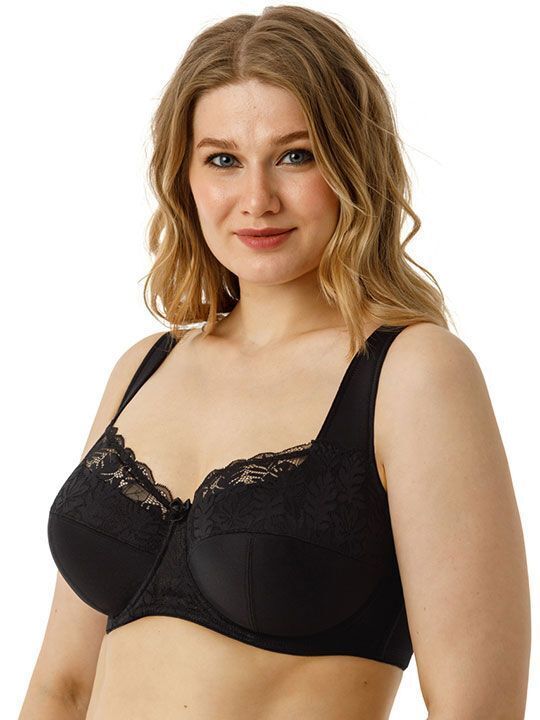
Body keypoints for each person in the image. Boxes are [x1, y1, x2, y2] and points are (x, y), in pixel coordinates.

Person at [19, 6, 530, 720]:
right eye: (223, 159)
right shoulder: (145, 367)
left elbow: (478, 710)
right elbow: (63, 687)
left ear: (353, 166)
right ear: (184, 177)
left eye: (296, 156)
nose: (257, 200)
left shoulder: (411, 374)